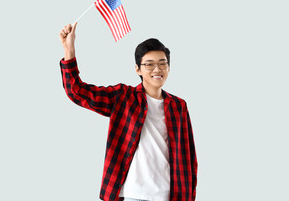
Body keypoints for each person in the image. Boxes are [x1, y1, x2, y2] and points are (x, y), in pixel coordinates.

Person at [59, 22, 198, 201]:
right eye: (149, 64)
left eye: (162, 63)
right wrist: (69, 51)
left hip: (168, 196)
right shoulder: (123, 97)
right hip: (134, 195)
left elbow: (189, 157)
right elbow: (77, 91)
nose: (157, 69)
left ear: (169, 68)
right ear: (137, 69)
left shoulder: (179, 106)